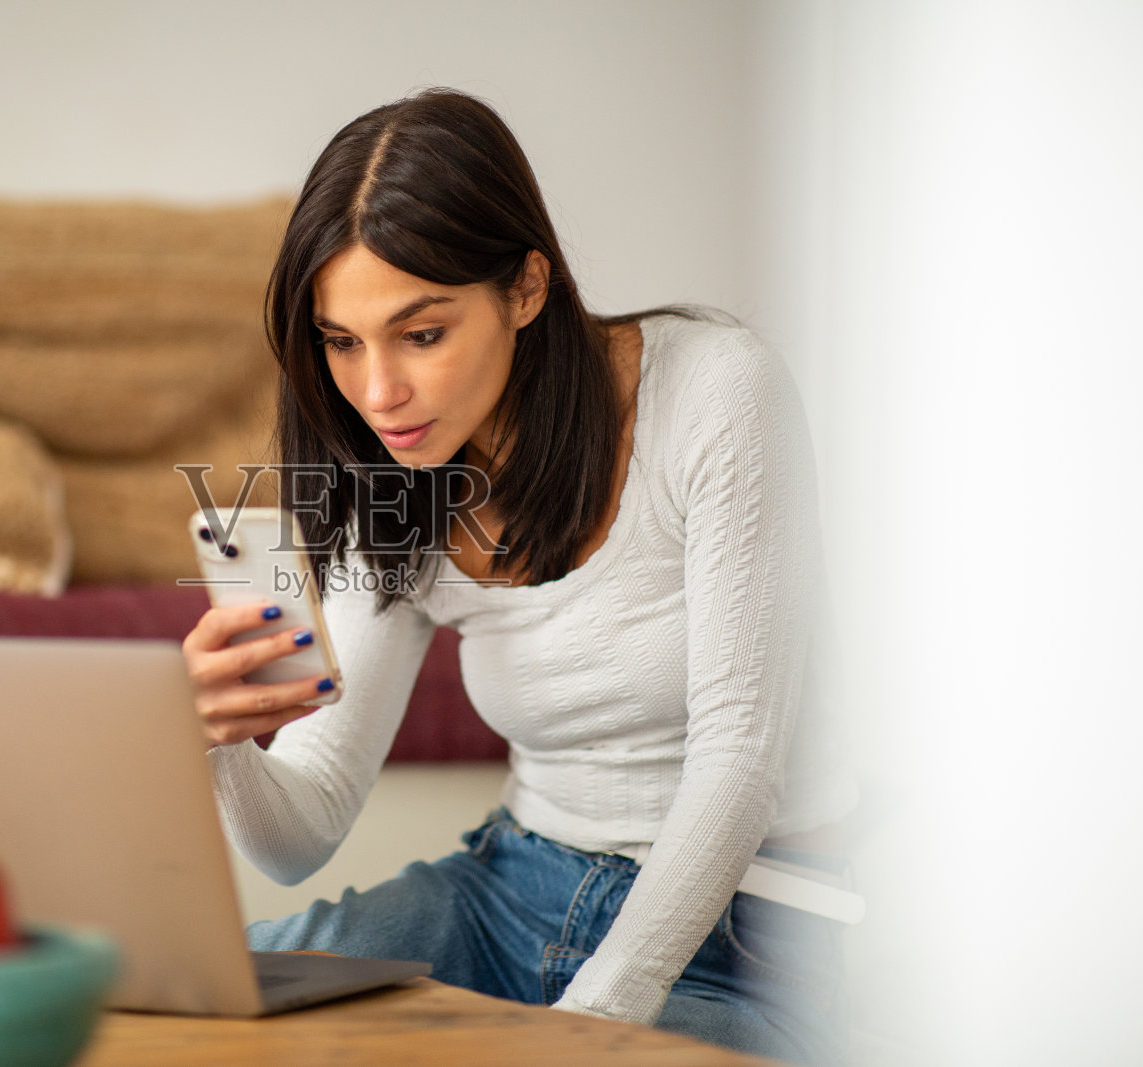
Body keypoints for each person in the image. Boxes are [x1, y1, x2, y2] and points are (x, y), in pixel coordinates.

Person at [180, 87, 859, 1065]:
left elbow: (738, 764)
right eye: (341, 341)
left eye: (421, 333)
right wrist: (222, 743)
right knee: (205, 1002)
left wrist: (588, 1023)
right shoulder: (392, 478)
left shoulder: (714, 388)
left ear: (526, 288)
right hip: (508, 886)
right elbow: (301, 832)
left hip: (745, 934)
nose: (378, 392)